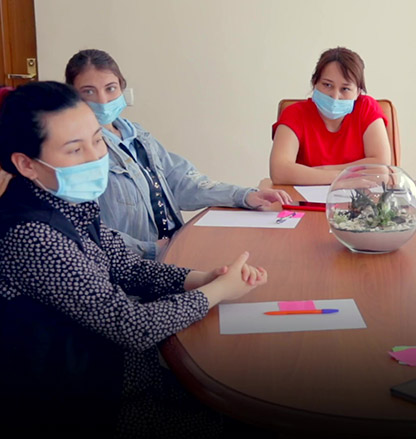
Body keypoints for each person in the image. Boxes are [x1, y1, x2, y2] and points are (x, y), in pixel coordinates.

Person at [0, 81, 267, 436]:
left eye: (97, 140)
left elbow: (125, 266)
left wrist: (199, 278)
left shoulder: (67, 201)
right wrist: (216, 293)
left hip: (128, 377)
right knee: (248, 424)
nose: (97, 157)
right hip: (90, 407)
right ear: (26, 164)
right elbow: (132, 326)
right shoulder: (31, 235)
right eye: (74, 150)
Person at [65, 49, 292, 260]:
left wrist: (245, 196)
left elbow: (183, 182)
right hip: (137, 265)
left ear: (122, 88)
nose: (103, 101)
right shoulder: (78, 154)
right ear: (72, 96)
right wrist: (152, 250)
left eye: (110, 88)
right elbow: (88, 230)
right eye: (88, 92)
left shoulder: (138, 135)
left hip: (175, 248)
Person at [269, 47, 392, 185]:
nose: (335, 96)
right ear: (314, 83)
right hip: (305, 204)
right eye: (327, 85)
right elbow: (279, 172)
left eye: (345, 89)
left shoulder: (367, 108)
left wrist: (322, 170)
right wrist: (342, 178)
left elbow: (381, 169)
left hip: (360, 203)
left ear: (358, 92)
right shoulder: (294, 114)